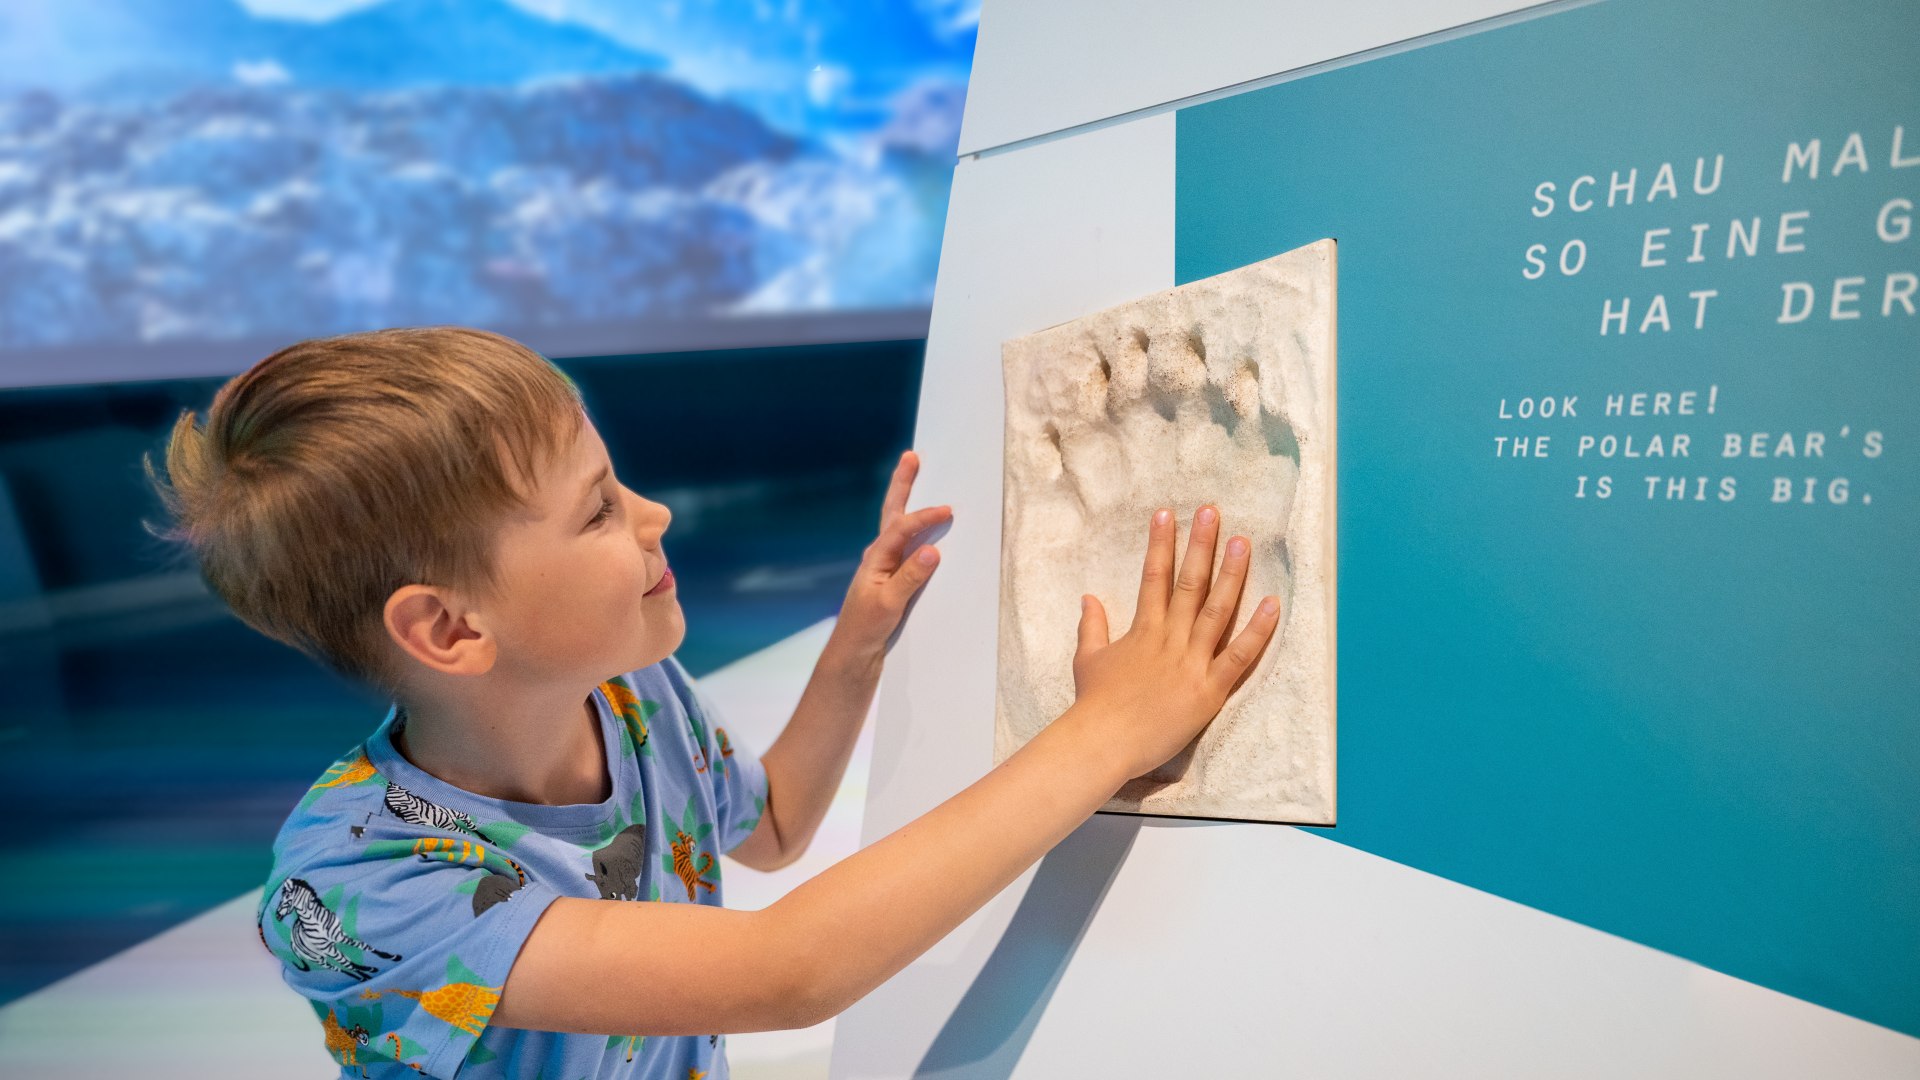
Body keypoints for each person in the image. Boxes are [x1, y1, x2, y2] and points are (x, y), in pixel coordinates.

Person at [145, 326, 1280, 1078]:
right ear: (450, 629)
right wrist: (1111, 729)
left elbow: (775, 826)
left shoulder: (632, 693)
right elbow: (784, 975)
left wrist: (856, 646)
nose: (658, 518)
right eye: (597, 512)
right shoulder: (358, 886)